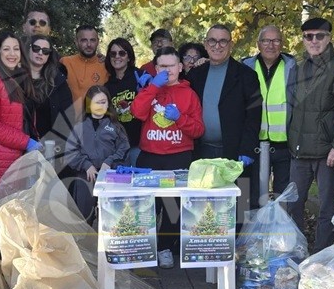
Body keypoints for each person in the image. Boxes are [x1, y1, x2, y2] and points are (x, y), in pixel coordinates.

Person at [131, 47, 205, 268]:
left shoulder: (189, 94)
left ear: (180, 67)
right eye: (162, 66)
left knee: (173, 209)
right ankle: (144, 248)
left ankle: (164, 247)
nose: (167, 70)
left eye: (171, 65)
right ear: (155, 68)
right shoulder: (150, 88)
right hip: (149, 157)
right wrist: (153, 87)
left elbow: (198, 130)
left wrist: (180, 118)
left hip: (178, 157)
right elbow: (137, 112)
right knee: (146, 207)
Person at [286, 17, 334, 253]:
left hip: (326, 154)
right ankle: (298, 253)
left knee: (326, 209)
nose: (314, 41)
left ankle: (322, 257)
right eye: (308, 36)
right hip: (299, 152)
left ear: (329, 38)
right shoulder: (299, 68)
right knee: (293, 205)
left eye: (319, 36)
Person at [185, 24, 262, 212]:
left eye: (223, 41)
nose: (217, 46)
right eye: (212, 40)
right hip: (201, 154)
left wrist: (247, 150)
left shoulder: (247, 76)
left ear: (231, 45)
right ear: (205, 44)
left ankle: (239, 241)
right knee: (202, 207)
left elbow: (254, 116)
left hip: (235, 154)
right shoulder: (195, 75)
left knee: (238, 207)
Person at [0, 31, 43, 197]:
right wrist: (26, 142)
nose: (12, 54)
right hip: (4, 156)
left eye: (16, 49)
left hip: (21, 155)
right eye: (6, 49)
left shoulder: (18, 77)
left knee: (19, 211)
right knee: (5, 211)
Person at [242, 25, 297, 208]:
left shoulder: (293, 66)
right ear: (258, 43)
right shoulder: (246, 66)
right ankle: (255, 235)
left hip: (284, 145)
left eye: (276, 40)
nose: (270, 45)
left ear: (282, 43)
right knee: (255, 196)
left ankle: (282, 235)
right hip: (255, 145)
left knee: (284, 197)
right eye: (266, 40)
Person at [65, 85, 130, 222]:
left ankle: (106, 241)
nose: (100, 105)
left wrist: (110, 161)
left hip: (110, 176)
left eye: (103, 102)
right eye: (96, 102)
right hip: (87, 175)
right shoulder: (79, 126)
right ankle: (84, 241)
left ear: (108, 104)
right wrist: (86, 164)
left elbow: (124, 148)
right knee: (83, 215)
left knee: (110, 217)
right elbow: (70, 151)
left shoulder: (115, 126)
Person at [27, 34, 75, 175]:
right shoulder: (17, 79)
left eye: (45, 51)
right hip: (22, 144)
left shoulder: (58, 80)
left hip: (51, 146)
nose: (40, 53)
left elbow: (68, 115)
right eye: (36, 48)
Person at [104, 37, 142, 166]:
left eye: (122, 53)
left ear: (129, 57)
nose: (117, 57)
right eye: (113, 53)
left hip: (139, 143)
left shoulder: (140, 76)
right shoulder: (108, 86)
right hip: (118, 147)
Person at [60, 25, 109, 104]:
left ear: (97, 42)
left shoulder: (106, 66)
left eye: (92, 40)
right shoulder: (65, 62)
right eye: (84, 40)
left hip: (97, 115)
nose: (89, 44)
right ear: (76, 42)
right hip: (67, 116)